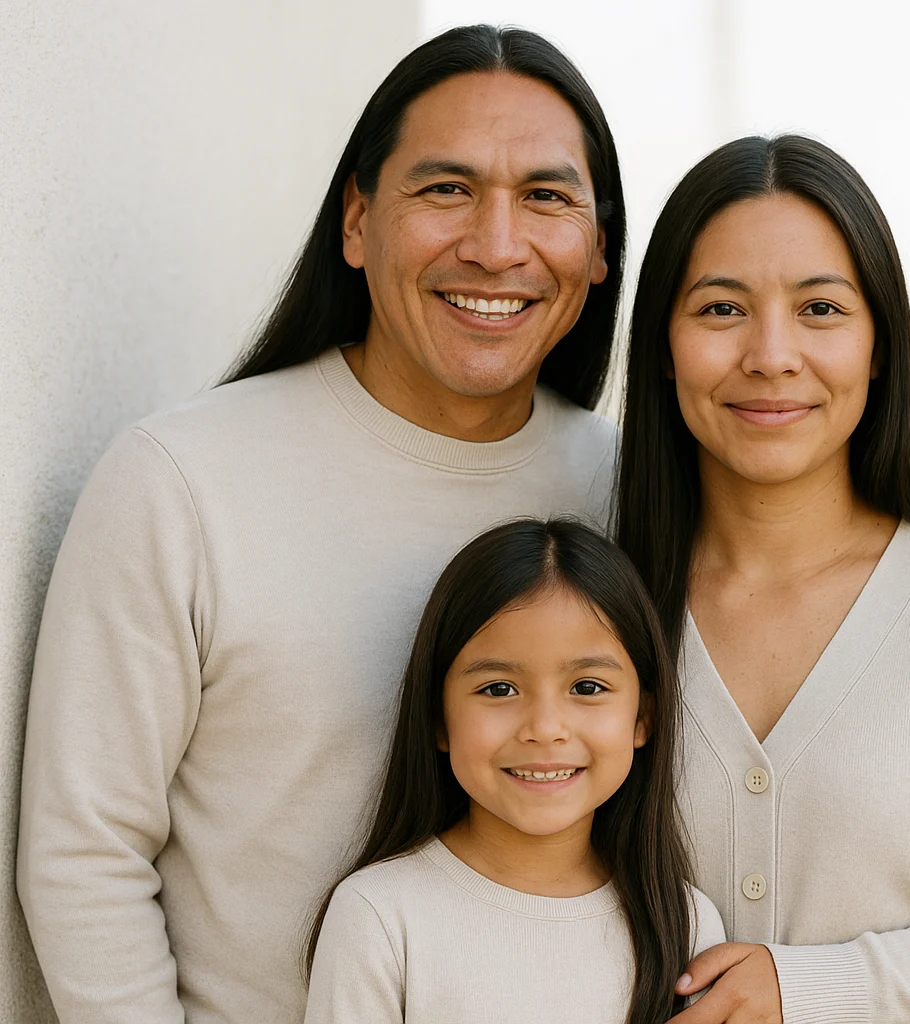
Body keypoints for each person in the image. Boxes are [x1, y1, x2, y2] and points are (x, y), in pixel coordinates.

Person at [17, 25, 625, 1024]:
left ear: (599, 247)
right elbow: (84, 851)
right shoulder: (183, 481)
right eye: (445, 189)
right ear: (355, 220)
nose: (498, 243)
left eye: (547, 198)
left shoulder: (625, 490)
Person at [615, 134, 910, 1024]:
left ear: (879, 345)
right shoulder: (596, 608)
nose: (770, 354)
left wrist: (801, 989)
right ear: (662, 345)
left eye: (821, 310)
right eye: (721, 310)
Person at [304, 518, 725, 1024]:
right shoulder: (379, 915)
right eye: (499, 689)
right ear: (438, 720)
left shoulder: (684, 923)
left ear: (643, 717)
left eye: (587, 688)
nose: (545, 729)